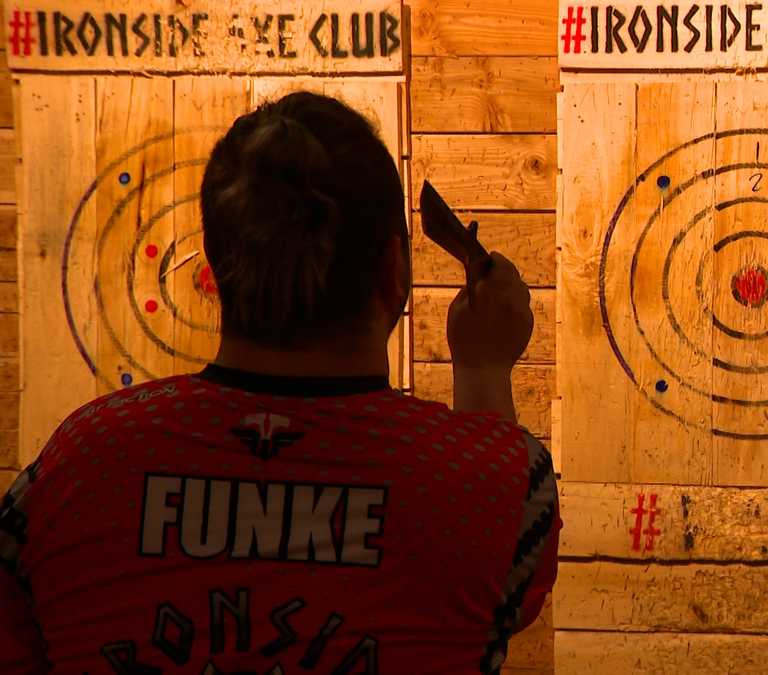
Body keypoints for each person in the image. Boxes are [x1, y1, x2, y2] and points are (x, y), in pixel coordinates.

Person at [0, 91, 559, 674]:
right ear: (393, 270)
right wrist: (482, 369)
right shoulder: (495, 482)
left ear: (213, 266)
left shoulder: (79, 463)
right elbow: (504, 573)